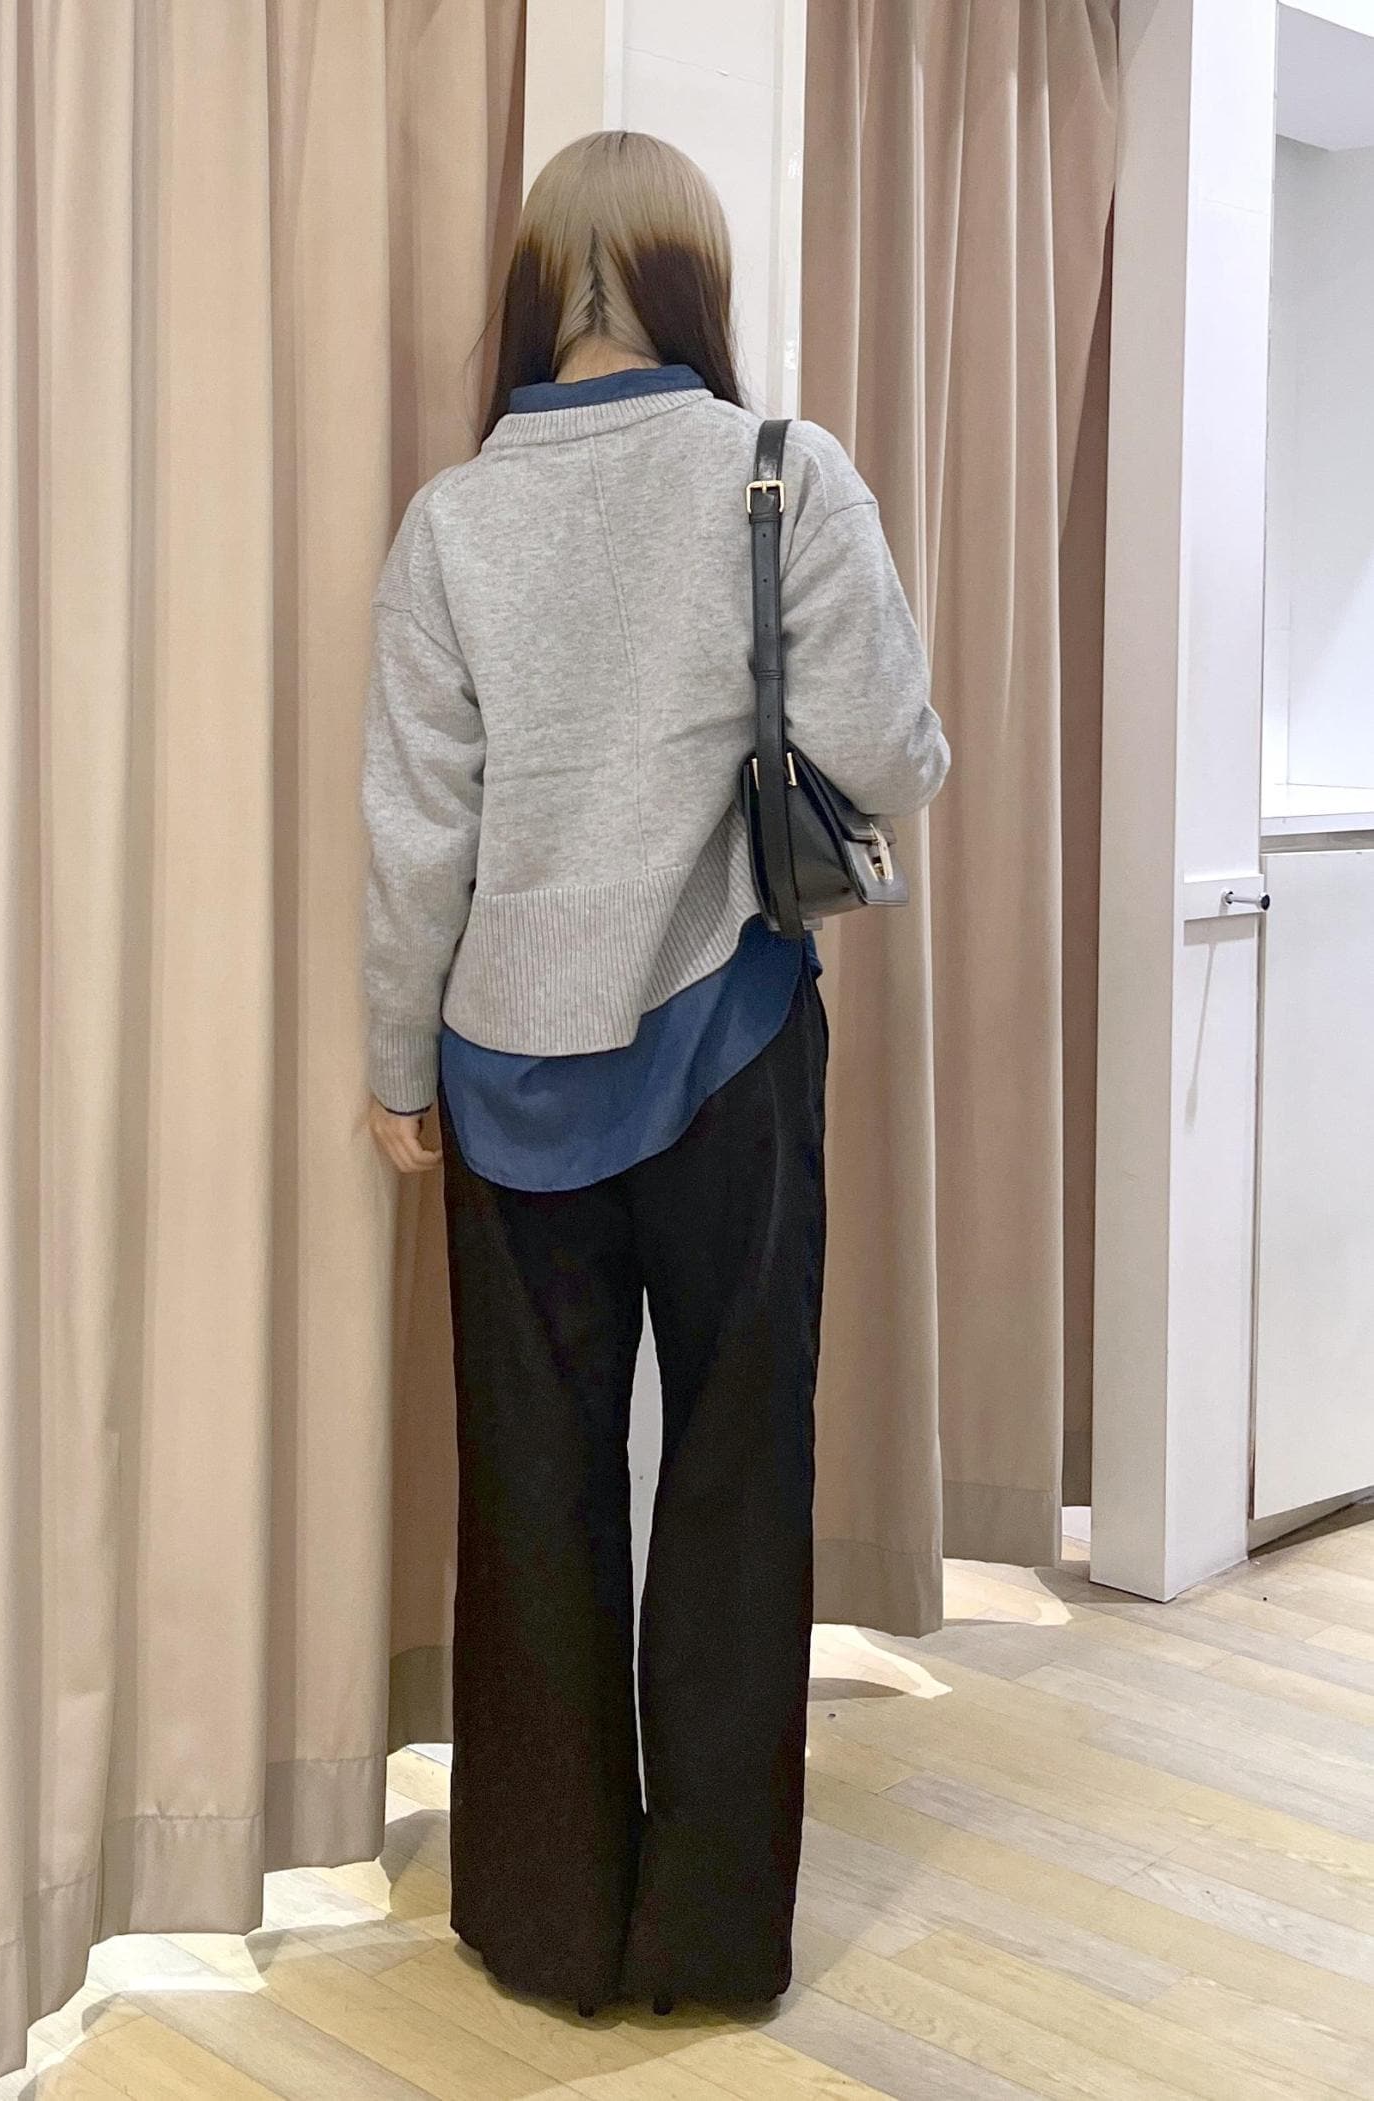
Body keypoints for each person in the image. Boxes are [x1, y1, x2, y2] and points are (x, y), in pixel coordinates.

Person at [361, 130, 948, 2021]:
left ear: (541, 288)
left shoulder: (453, 522)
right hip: (734, 1050)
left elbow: (418, 841)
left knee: (532, 1489)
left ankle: (545, 1925)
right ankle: (706, 1939)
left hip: (504, 1071)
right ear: (694, 277)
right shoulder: (784, 473)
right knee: (735, 1471)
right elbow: (894, 751)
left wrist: (395, 1064)